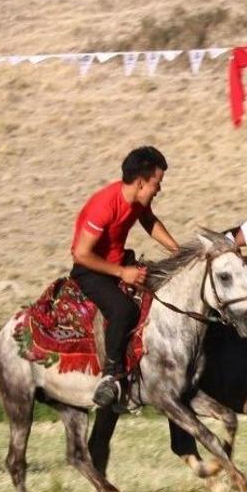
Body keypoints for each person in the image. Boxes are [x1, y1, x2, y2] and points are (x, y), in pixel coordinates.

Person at [71, 146, 179, 408]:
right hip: (92, 270)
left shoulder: (138, 201)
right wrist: (123, 273)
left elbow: (150, 223)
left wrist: (180, 253)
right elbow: (81, 254)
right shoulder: (104, 205)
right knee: (123, 310)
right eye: (157, 183)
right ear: (141, 182)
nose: (159, 190)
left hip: (118, 262)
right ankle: (111, 376)